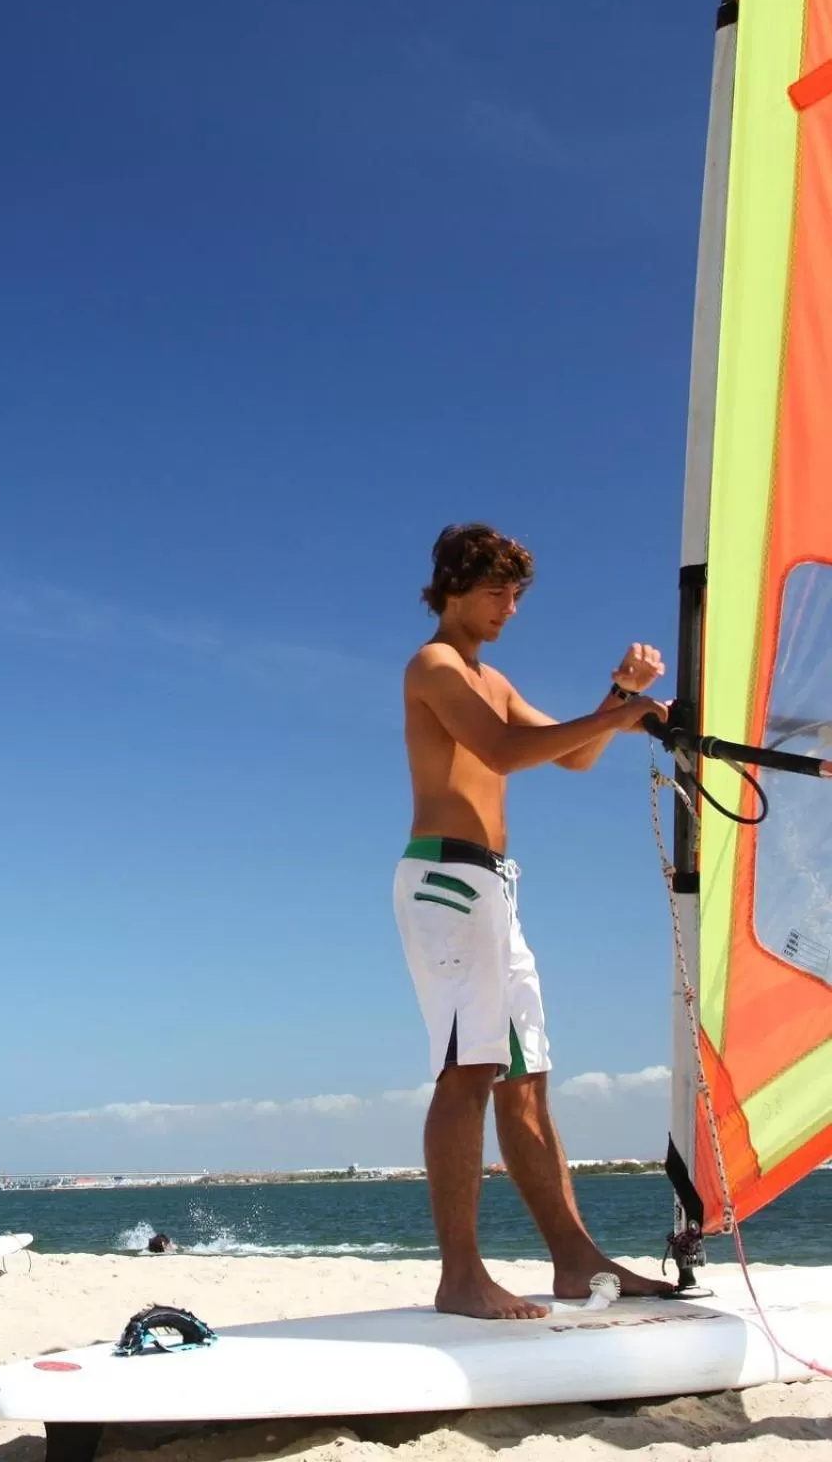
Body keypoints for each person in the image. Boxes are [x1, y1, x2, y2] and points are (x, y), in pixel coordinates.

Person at [395, 523, 674, 1320]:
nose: (509, 608)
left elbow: (574, 756)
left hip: (495, 887)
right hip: (445, 878)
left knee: (527, 1082)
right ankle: (460, 1277)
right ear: (452, 586)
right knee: (469, 1070)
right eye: (496, 592)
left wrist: (618, 702)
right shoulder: (435, 665)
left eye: (517, 595)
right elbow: (506, 752)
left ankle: (576, 1262)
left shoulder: (495, 675)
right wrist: (625, 712)